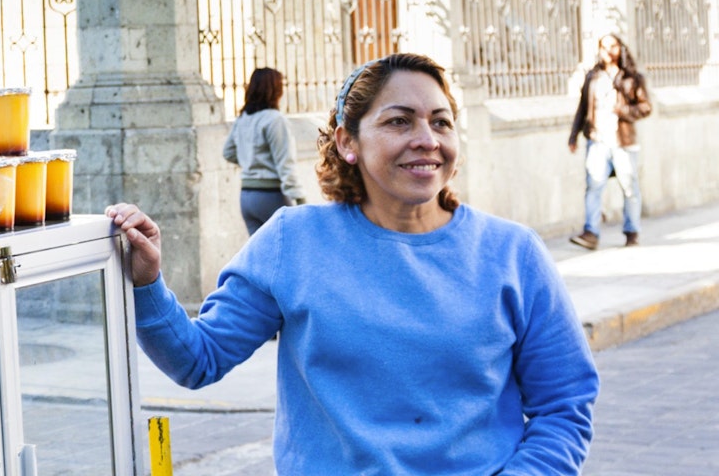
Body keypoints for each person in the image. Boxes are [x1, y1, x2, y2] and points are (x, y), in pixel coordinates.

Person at [107, 53, 596, 474]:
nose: (426, 138)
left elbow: (564, 406)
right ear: (347, 142)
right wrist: (147, 282)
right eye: (399, 121)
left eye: (441, 121)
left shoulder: (514, 254)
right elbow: (197, 359)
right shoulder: (291, 242)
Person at [567, 34, 651, 249]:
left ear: (620, 48)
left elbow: (645, 107)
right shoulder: (593, 77)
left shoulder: (632, 77)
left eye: (612, 46)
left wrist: (621, 109)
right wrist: (574, 135)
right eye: (604, 47)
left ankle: (632, 232)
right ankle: (591, 233)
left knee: (629, 187)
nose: (608, 51)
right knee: (593, 185)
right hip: (598, 140)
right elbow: (582, 108)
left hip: (623, 141)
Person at [222, 67, 306, 234]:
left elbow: (228, 152)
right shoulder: (275, 120)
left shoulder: (243, 118)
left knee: (262, 255)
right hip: (271, 195)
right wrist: (300, 199)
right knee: (291, 248)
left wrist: (251, 160)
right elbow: (285, 164)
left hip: (246, 197)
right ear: (275, 90)